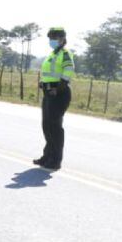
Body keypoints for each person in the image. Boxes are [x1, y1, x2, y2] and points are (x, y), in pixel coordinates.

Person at [32, 26, 75, 172]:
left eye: (54, 38)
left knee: (55, 127)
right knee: (46, 126)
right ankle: (47, 156)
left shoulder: (65, 53)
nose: (51, 40)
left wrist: (58, 89)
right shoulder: (53, 53)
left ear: (62, 39)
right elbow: (50, 72)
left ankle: (56, 160)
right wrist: (43, 83)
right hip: (49, 92)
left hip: (59, 93)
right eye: (50, 38)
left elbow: (68, 70)